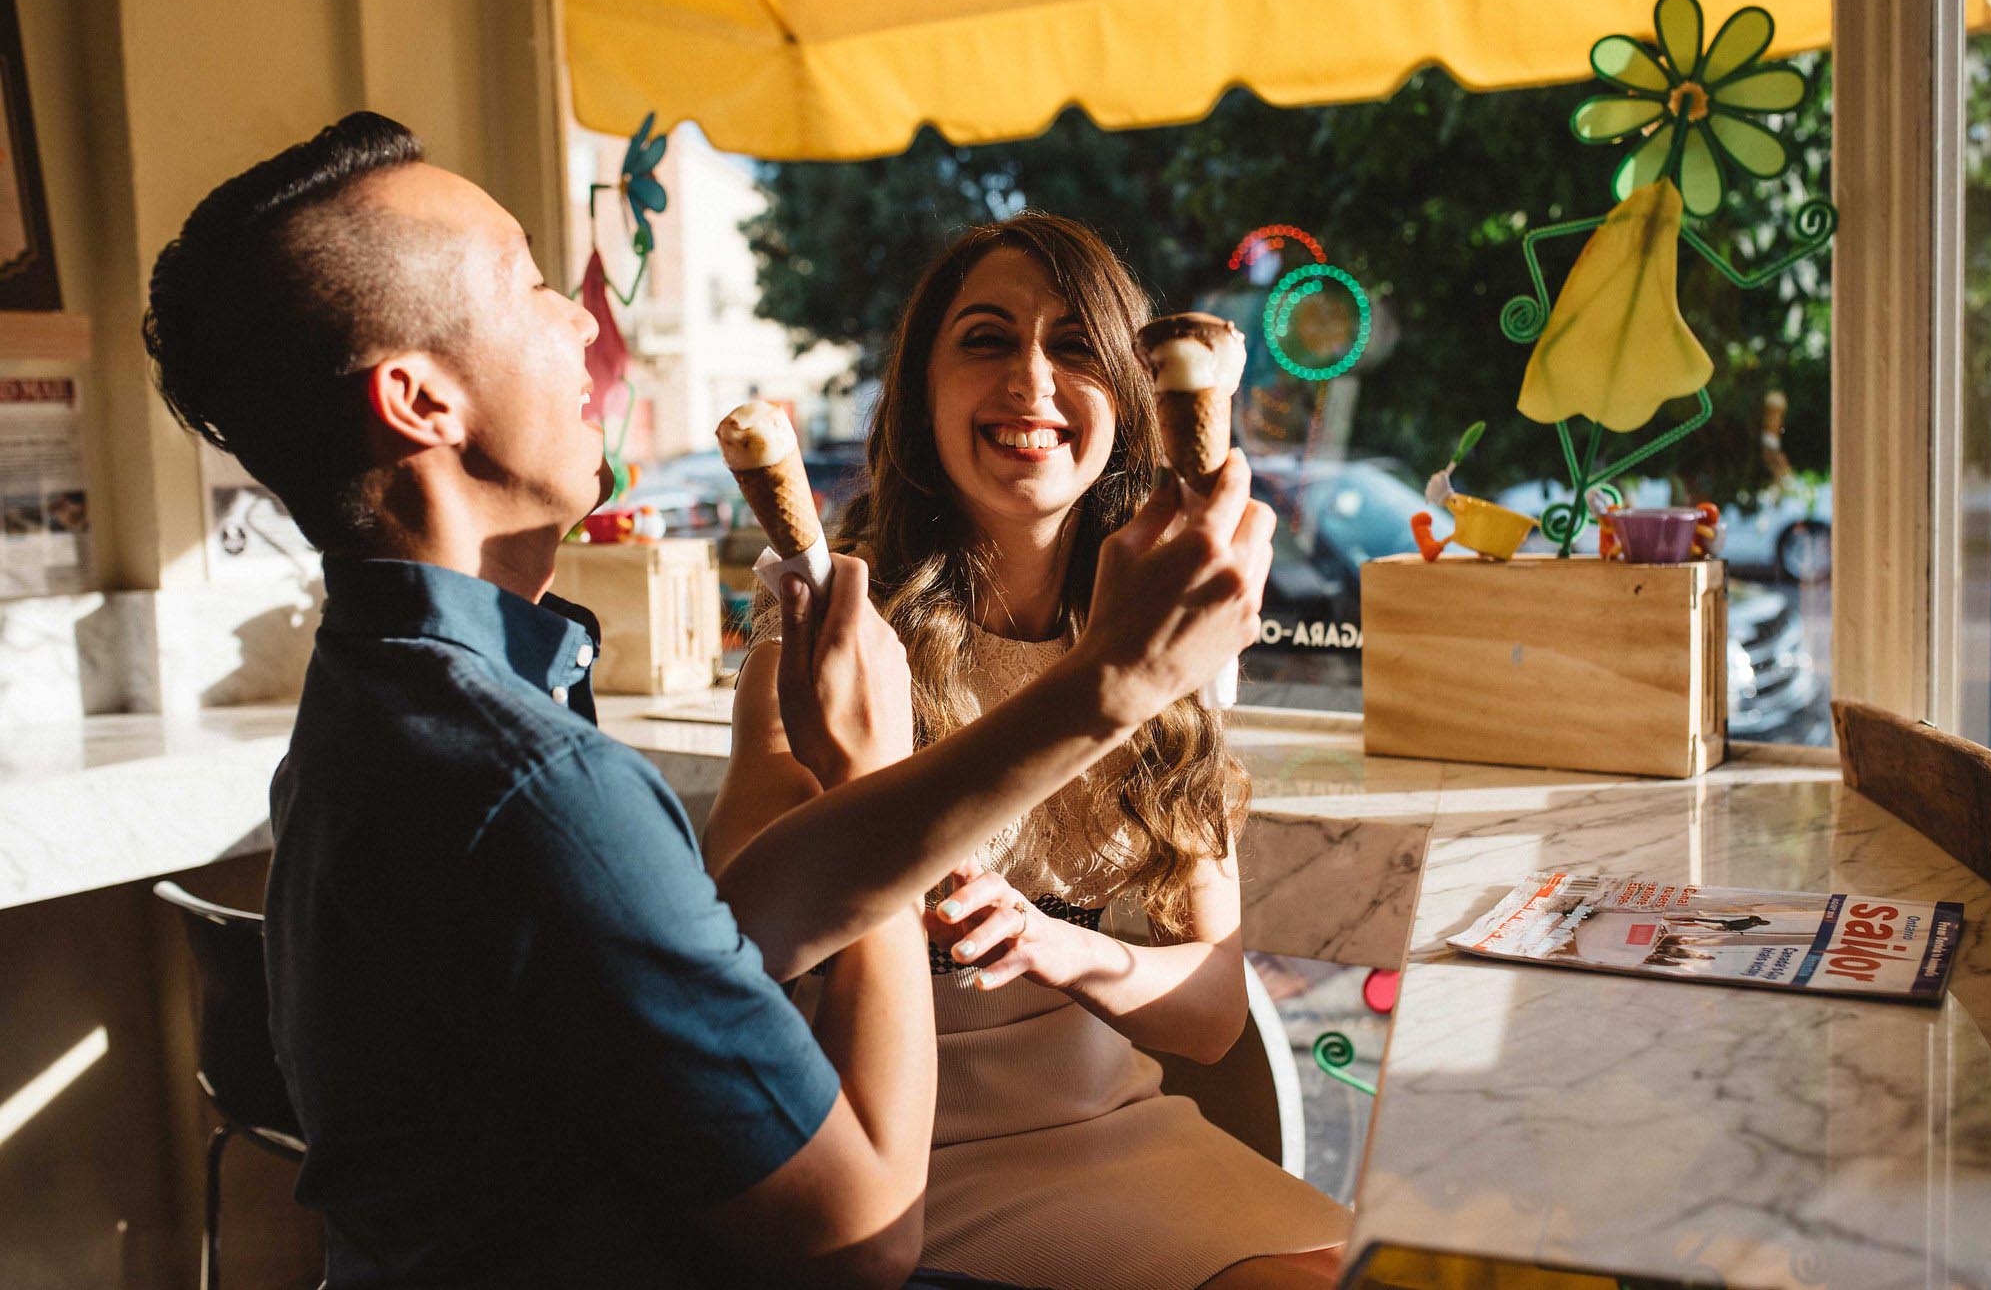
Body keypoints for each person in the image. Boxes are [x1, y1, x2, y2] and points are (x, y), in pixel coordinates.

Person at [142, 115, 1274, 1289]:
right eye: (532, 284)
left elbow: (741, 933)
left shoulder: (395, 703)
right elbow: (863, 1236)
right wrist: (1077, 697)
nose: (584, 317)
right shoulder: (539, 789)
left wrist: (1081, 707)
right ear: (420, 402)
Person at [706, 214, 1348, 1290]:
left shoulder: (1161, 632)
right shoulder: (836, 633)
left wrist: (1059, 948)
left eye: (1075, 346)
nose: (1031, 381)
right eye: (987, 339)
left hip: (1112, 1133)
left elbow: (1209, 1009)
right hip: (892, 1169)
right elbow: (734, 937)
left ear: (1130, 394)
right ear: (919, 391)